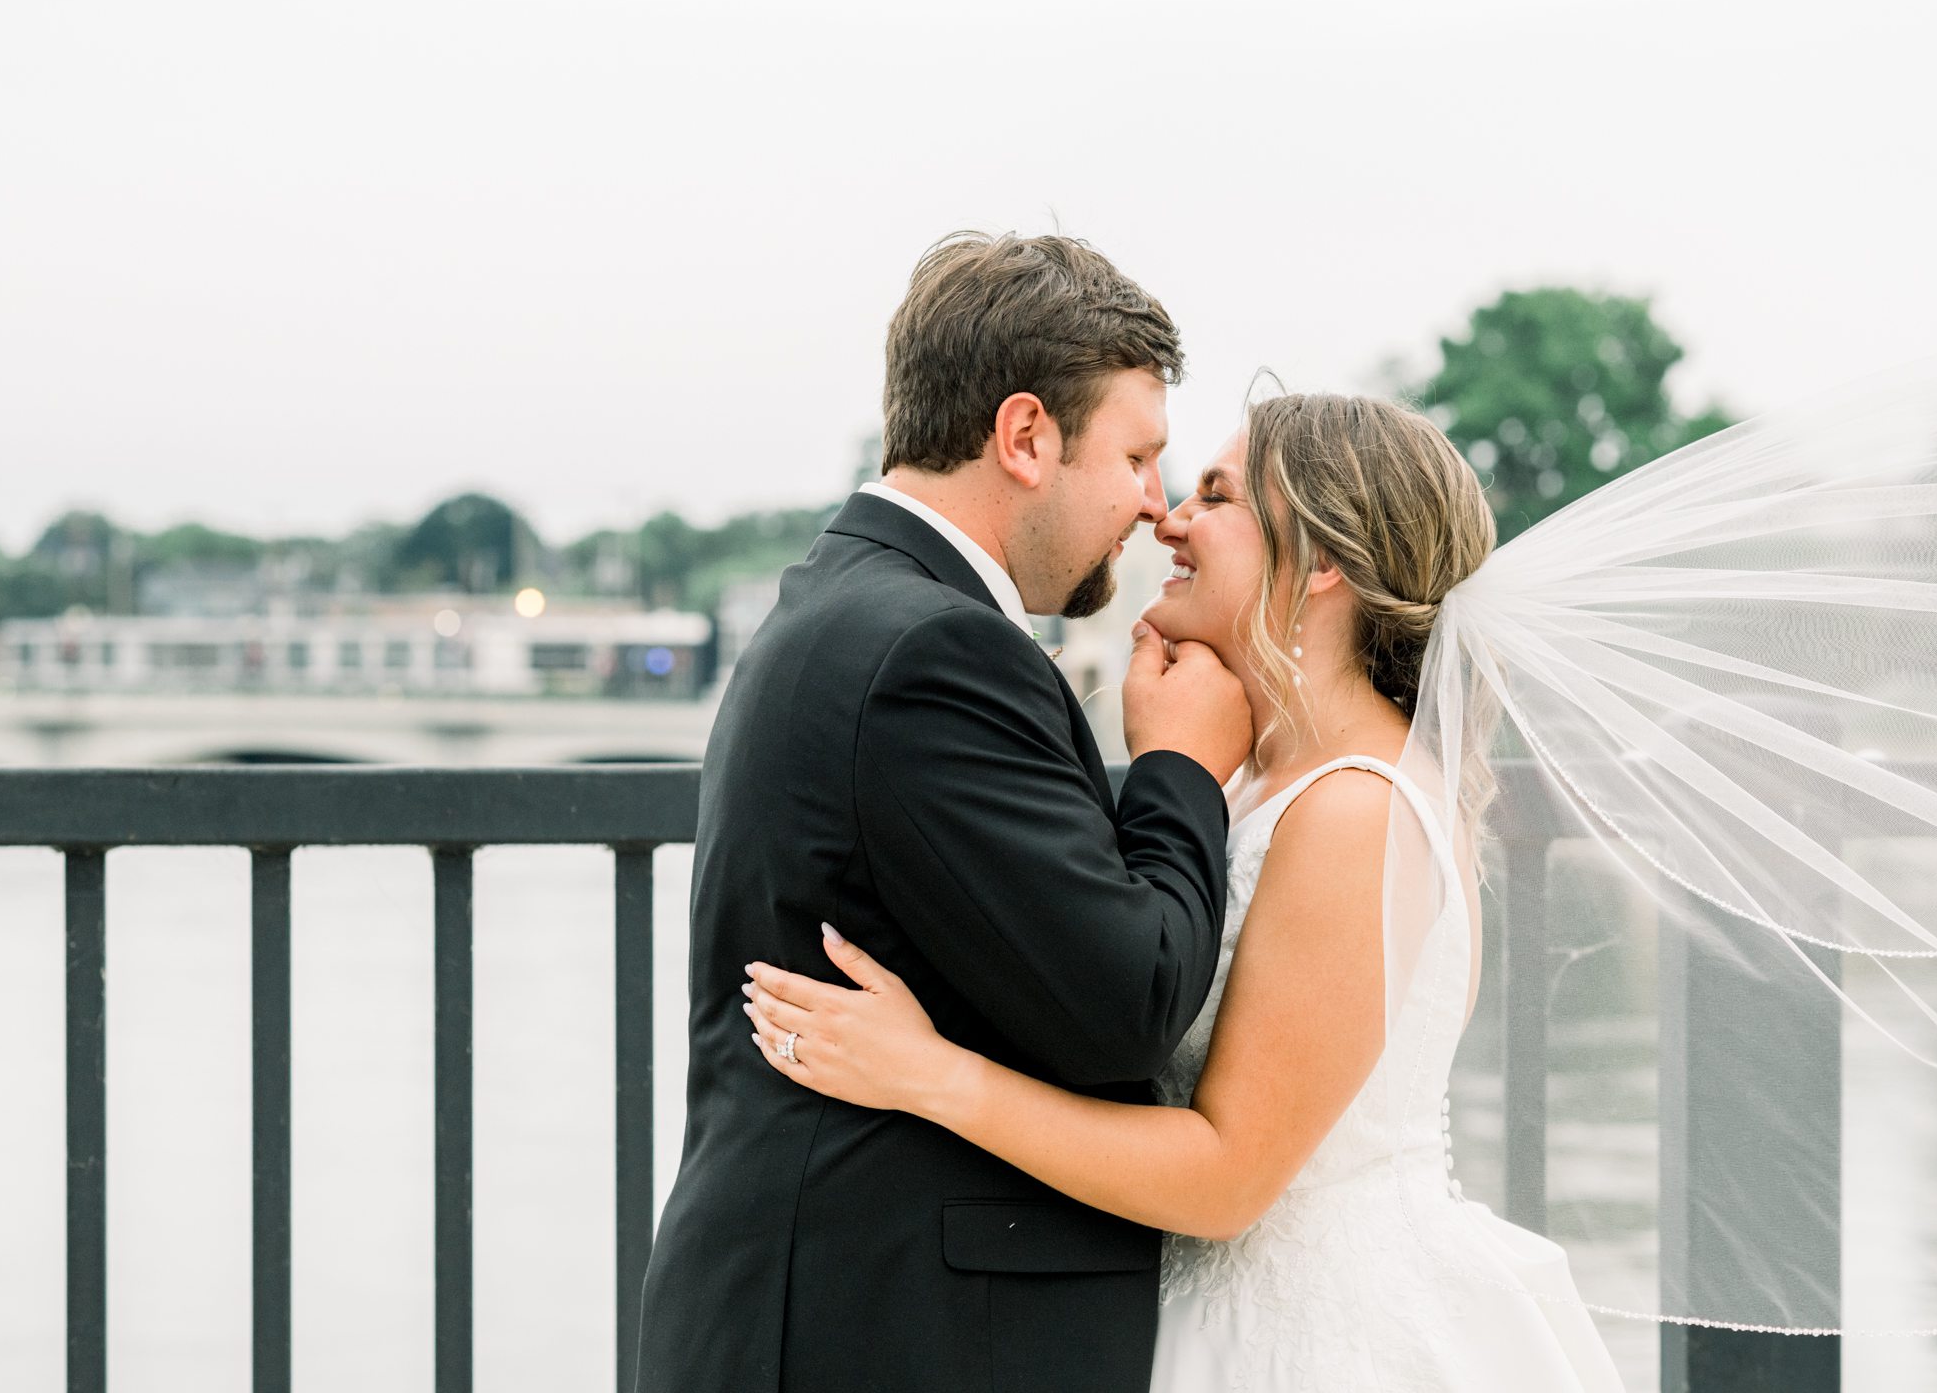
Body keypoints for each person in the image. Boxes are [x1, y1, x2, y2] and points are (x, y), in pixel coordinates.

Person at [744, 393, 1627, 1390]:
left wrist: (929, 1072)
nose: (1168, 518)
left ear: (1325, 559)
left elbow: (1228, 1177)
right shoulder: (1261, 782)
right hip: (1202, 1318)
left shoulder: (1357, 811)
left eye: (1214, 495)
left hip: (1320, 1341)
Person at [634, 231, 1256, 1392]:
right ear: (1026, 437)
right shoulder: (936, 649)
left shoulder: (844, 602)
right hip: (882, 1329)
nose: (1149, 504)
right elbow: (1127, 1000)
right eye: (1135, 455)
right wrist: (1180, 769)